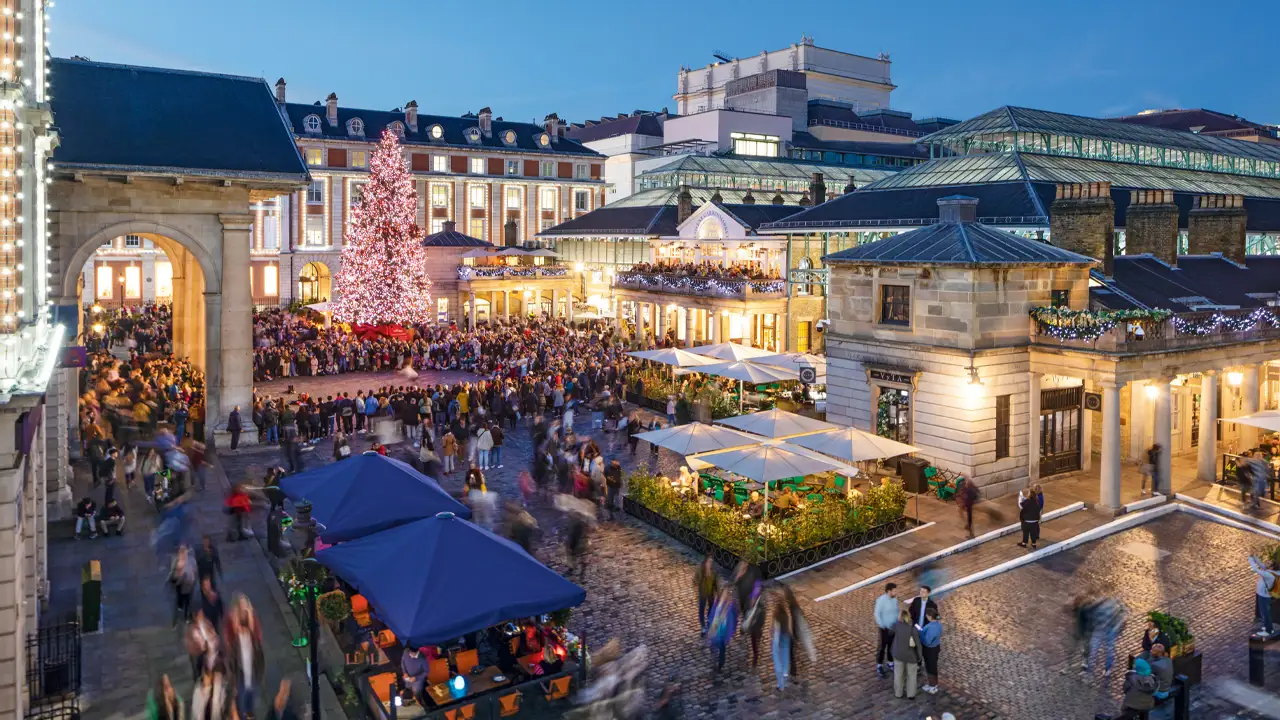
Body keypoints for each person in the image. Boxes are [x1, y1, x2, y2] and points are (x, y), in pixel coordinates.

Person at [891, 609, 923, 699]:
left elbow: (891, 632)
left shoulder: (896, 625)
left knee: (898, 675)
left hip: (898, 654)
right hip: (911, 656)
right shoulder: (913, 628)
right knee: (912, 675)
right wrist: (920, 656)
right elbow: (918, 644)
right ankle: (911, 694)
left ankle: (898, 693)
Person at [1249, 553, 1277, 637]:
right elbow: (1261, 564)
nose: (1266, 563)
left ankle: (1269, 630)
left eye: (1268, 563)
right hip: (1263, 594)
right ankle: (1268, 627)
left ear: (1271, 567)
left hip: (1264, 596)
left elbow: (1255, 569)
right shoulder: (1271, 571)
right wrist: (1253, 556)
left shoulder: (1268, 574)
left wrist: (1250, 558)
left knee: (1265, 613)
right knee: (1265, 612)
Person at [874, 582, 899, 677]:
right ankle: (879, 665)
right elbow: (877, 614)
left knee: (891, 646)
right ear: (889, 591)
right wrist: (882, 625)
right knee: (882, 648)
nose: (896, 592)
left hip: (893, 627)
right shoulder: (881, 600)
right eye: (894, 591)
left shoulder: (894, 599)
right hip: (884, 628)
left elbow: (896, 611)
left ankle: (890, 662)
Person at [771, 596, 792, 691]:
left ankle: (781, 685)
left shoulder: (775, 615)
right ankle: (785, 673)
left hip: (777, 638)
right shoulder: (787, 615)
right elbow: (790, 628)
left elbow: (772, 628)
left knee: (777, 660)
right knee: (785, 656)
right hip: (786, 636)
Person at [919, 607, 941, 694]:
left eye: (927, 615)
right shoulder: (938, 624)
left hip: (929, 650)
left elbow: (927, 641)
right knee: (933, 667)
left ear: (930, 617)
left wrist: (921, 634)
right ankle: (934, 685)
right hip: (936, 647)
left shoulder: (930, 627)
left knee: (930, 667)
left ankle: (932, 686)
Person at [695, 556, 718, 636]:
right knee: (701, 609)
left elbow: (715, 582)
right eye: (709, 561)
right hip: (703, 592)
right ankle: (703, 627)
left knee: (711, 608)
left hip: (711, 592)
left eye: (711, 561)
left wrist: (718, 592)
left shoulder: (714, 570)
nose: (710, 563)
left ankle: (709, 623)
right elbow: (695, 580)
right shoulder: (700, 569)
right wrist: (704, 575)